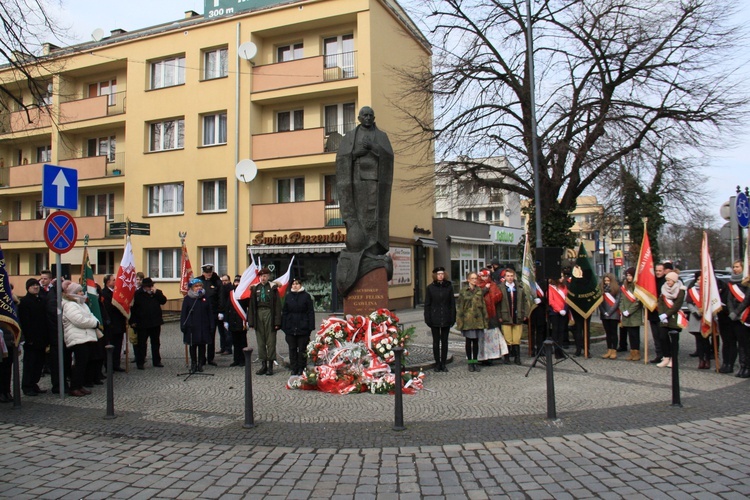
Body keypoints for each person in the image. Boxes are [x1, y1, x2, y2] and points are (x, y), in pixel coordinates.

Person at [335, 106, 394, 296]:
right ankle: (363, 253)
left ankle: (371, 254)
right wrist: (358, 153)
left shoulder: (381, 136)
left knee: (372, 217)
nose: (368, 118)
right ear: (359, 118)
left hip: (375, 184)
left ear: (374, 117)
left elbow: (388, 156)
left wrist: (373, 148)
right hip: (356, 183)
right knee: (361, 218)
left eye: (370, 115)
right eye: (364, 115)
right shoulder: (350, 136)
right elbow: (342, 159)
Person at [60, 281, 100, 397]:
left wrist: (94, 321)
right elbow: (79, 320)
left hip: (85, 336)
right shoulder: (70, 305)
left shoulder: (82, 304)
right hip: (77, 338)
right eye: (80, 291)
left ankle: (80, 385)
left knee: (84, 363)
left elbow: (91, 315)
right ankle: (74, 387)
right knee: (79, 364)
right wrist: (94, 323)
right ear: (74, 293)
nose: (82, 292)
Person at [248, 268, 282, 376]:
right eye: (261, 276)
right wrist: (251, 322)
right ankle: (263, 365)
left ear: (268, 277)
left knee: (271, 341)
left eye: (265, 276)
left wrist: (277, 322)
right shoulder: (255, 288)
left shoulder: (273, 288)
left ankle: (270, 366)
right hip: (258, 314)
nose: (263, 278)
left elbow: (277, 306)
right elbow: (252, 305)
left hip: (269, 314)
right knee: (260, 341)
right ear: (259, 277)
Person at [129, 277, 166, 369]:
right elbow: (133, 309)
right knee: (141, 343)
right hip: (142, 323)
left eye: (151, 286)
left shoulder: (157, 293)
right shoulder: (138, 294)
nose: (150, 288)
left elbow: (163, 301)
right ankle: (140, 362)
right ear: (144, 287)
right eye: (148, 286)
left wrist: (156, 293)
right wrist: (132, 321)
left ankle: (157, 361)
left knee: (156, 342)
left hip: (155, 322)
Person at [424, 266, 456, 372]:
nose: (440, 276)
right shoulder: (430, 288)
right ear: (435, 275)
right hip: (435, 318)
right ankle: (437, 363)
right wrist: (427, 318)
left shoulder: (449, 287)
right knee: (436, 342)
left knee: (445, 341)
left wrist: (453, 317)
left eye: (442, 274)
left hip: (446, 317)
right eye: (438, 274)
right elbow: (427, 304)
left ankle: (443, 363)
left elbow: (452, 303)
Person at [19, 278, 48, 395]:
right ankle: (27, 386)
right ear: (28, 288)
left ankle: (34, 383)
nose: (36, 287)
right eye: (33, 285)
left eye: (37, 285)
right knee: (30, 364)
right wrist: (29, 338)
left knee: (39, 363)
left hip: (42, 338)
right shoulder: (25, 302)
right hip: (31, 339)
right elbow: (25, 322)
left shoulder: (41, 300)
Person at [282, 278, 316, 376]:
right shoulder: (288, 297)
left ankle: (301, 367)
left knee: (302, 349)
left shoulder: (306, 296)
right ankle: (294, 368)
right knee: (292, 348)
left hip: (303, 326)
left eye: (297, 284)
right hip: (290, 327)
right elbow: (285, 312)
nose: (295, 285)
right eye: (293, 284)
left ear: (300, 285)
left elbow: (310, 312)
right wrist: (284, 326)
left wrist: (310, 327)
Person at [456, 271, 488, 372]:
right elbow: (460, 307)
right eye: (473, 278)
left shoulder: (479, 290)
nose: (475, 280)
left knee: (476, 342)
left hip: (478, 319)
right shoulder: (463, 291)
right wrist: (459, 321)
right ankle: (470, 362)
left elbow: (483, 305)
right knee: (469, 341)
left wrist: (485, 319)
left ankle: (475, 361)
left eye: (476, 278)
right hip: (467, 320)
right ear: (468, 279)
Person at [180, 278, 214, 372]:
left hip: (203, 325)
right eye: (196, 286)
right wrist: (183, 325)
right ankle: (193, 363)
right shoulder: (188, 299)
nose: (198, 288)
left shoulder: (205, 297)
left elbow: (210, 312)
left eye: (200, 286)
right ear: (192, 288)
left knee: (202, 346)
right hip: (192, 326)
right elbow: (184, 313)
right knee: (193, 345)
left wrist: (211, 325)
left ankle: (200, 363)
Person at [498, 268, 529, 365]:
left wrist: (525, 314)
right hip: (505, 315)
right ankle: (507, 357)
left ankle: (517, 357)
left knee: (516, 338)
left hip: (517, 315)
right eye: (508, 276)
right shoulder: (500, 288)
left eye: (511, 276)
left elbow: (525, 302)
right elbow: (498, 304)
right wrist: (499, 315)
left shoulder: (519, 287)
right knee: (508, 338)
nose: (510, 278)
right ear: (505, 277)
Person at [656, 271, 686, 368]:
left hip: (674, 317)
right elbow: (660, 302)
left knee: (674, 339)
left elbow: (677, 305)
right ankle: (666, 357)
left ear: (674, 280)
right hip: (664, 318)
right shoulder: (664, 288)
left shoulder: (680, 290)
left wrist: (666, 314)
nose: (668, 282)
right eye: (667, 280)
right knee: (662, 337)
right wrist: (661, 314)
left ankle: (674, 358)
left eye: (669, 280)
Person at [220, 275, 249, 368]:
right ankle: (236, 360)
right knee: (235, 342)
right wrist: (226, 321)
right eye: (235, 282)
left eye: (238, 282)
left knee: (243, 342)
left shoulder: (244, 294)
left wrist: (248, 321)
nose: (237, 284)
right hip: (232, 320)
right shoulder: (231, 293)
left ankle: (243, 359)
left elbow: (248, 308)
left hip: (241, 321)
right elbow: (227, 307)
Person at [727, 260, 750, 378]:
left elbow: (746, 300)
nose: (735, 269)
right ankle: (742, 366)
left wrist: (736, 312)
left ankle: (748, 367)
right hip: (735, 317)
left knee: (746, 344)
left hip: (745, 316)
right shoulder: (731, 282)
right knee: (740, 343)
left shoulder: (747, 281)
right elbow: (729, 299)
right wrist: (731, 311)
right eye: (733, 267)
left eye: (737, 267)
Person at [477, 269, 504, 366]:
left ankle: (491, 357)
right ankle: (482, 357)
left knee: (491, 337)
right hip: (481, 315)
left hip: (491, 315)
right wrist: (485, 290)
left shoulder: (493, 285)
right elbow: (476, 297)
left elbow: (498, 297)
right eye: (483, 276)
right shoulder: (477, 286)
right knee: (481, 337)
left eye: (486, 276)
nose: (485, 278)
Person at [198, 264, 223, 366]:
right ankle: (201, 358)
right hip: (202, 313)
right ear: (203, 272)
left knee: (211, 336)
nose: (208, 274)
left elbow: (220, 297)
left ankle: (210, 358)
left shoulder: (216, 282)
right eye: (206, 273)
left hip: (213, 312)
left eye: (210, 273)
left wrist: (221, 311)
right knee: (202, 336)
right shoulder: (198, 281)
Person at [101, 274, 127, 372]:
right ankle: (109, 365)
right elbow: (108, 308)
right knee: (110, 345)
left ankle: (116, 364)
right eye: (113, 280)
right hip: (111, 324)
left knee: (118, 345)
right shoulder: (105, 293)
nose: (115, 282)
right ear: (108, 282)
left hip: (119, 323)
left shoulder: (116, 292)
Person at [618, 267, 643, 361]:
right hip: (625, 314)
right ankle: (632, 352)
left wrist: (629, 311)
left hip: (634, 314)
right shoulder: (624, 286)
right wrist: (622, 309)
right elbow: (621, 300)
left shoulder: (637, 286)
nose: (628, 277)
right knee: (629, 334)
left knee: (634, 334)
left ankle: (636, 352)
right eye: (627, 275)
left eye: (630, 275)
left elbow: (638, 302)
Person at [647, 262, 669, 364]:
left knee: (663, 336)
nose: (658, 272)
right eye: (656, 271)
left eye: (660, 271)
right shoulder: (651, 281)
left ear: (664, 271)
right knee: (655, 336)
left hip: (663, 313)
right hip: (652, 312)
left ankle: (666, 355)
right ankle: (659, 355)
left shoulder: (666, 282)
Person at [599, 273, 621, 360]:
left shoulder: (616, 289)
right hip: (604, 314)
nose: (606, 282)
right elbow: (599, 302)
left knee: (613, 332)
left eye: (608, 281)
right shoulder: (601, 289)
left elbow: (617, 302)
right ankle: (609, 349)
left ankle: (614, 350)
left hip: (613, 314)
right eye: (605, 281)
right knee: (608, 333)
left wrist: (610, 312)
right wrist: (604, 312)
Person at [548, 275, 568, 359]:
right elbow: (551, 301)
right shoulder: (550, 288)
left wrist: (565, 309)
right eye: (561, 277)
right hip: (555, 313)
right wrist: (559, 310)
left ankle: (560, 349)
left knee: (561, 331)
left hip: (564, 312)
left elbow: (567, 299)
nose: (562, 278)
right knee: (555, 331)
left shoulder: (564, 287)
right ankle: (556, 349)